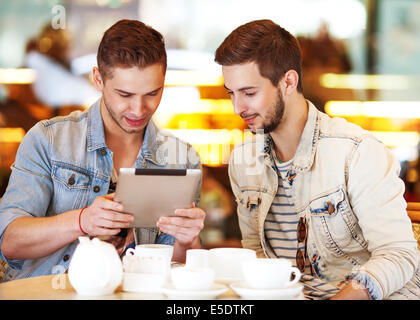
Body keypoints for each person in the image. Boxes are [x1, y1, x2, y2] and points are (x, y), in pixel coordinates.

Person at [214, 19, 420, 300]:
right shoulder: (243, 160)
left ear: (288, 81)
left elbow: (398, 255)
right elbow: (258, 257)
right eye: (232, 94)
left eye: (249, 93)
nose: (238, 107)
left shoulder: (357, 151)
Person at [0, 19, 205, 282]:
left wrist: (188, 242)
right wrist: (82, 221)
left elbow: (176, 270)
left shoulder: (183, 158)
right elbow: (9, 241)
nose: (138, 109)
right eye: (125, 94)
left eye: (152, 93)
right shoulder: (49, 139)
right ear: (98, 79)